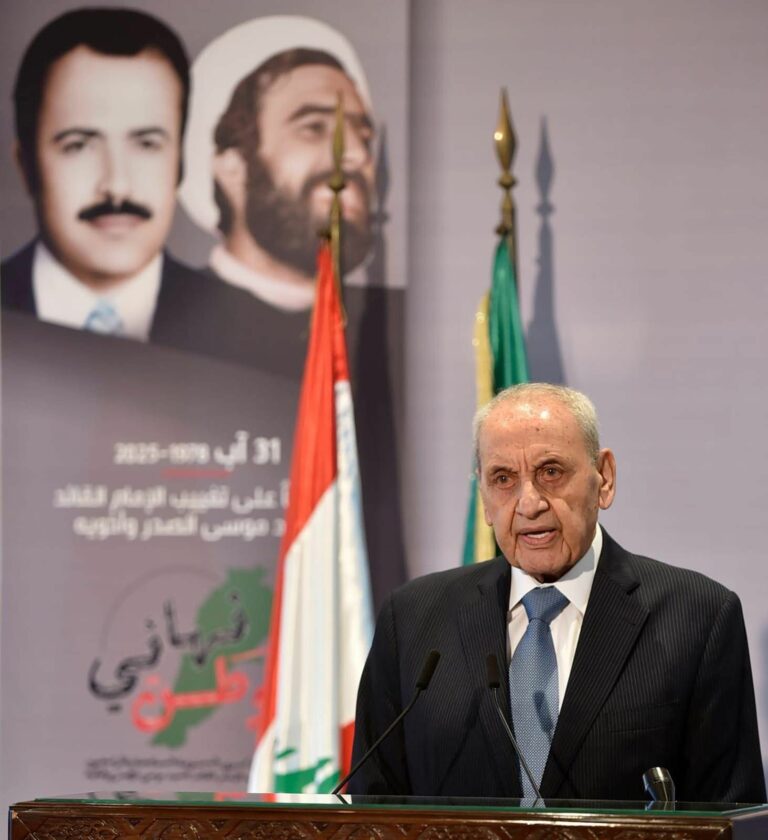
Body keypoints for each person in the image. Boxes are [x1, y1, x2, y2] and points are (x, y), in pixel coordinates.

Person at [350, 383, 766, 803]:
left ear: (604, 478)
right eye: (503, 479)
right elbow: (371, 808)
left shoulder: (698, 619)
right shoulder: (412, 621)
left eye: (550, 472)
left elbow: (732, 816)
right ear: (484, 497)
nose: (529, 504)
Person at [1, 7, 260, 359]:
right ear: (26, 165)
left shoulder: (259, 335)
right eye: (78, 146)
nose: (118, 186)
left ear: (179, 163)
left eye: (147, 144)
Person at [179, 17, 398, 379]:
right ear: (233, 166)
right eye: (313, 128)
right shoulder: (164, 325)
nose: (358, 155)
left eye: (363, 135)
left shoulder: (394, 331)